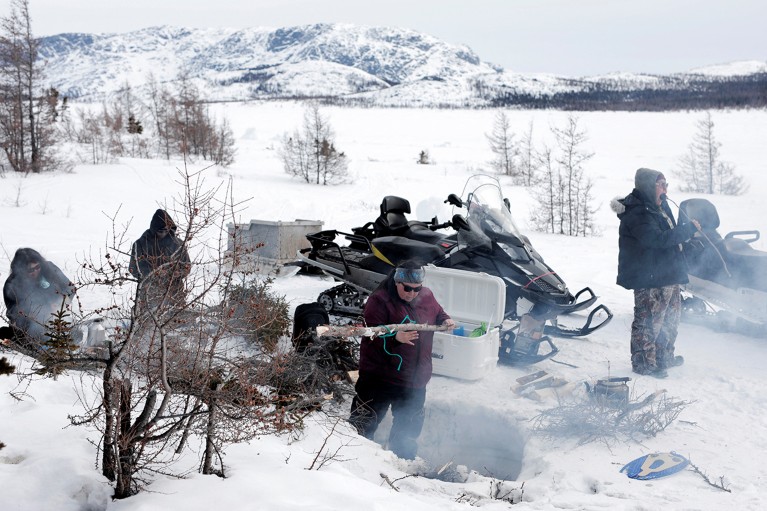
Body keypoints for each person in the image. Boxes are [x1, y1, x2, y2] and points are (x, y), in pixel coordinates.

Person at [348, 261, 455, 459]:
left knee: (408, 428)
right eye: (407, 288)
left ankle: (401, 463)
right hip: (380, 379)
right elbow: (371, 333)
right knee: (365, 422)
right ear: (397, 282)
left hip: (414, 380)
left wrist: (445, 319)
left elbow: (438, 312)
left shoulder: (426, 296)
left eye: (417, 289)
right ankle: (356, 460)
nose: (412, 293)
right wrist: (394, 338)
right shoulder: (380, 301)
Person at [612, 168, 700, 378]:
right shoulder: (637, 212)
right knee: (649, 322)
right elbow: (656, 240)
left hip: (668, 273)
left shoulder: (661, 206)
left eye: (666, 184)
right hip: (648, 276)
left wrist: (686, 240)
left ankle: (663, 357)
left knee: (670, 319)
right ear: (649, 187)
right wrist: (686, 231)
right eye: (661, 184)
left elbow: (669, 236)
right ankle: (644, 363)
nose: (665, 188)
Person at [3, 248, 76, 346]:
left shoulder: (49, 269)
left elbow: (70, 287)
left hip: (57, 319)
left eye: (37, 267)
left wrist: (62, 302)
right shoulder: (11, 285)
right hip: (29, 328)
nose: (35, 271)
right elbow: (14, 313)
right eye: (30, 270)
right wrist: (33, 316)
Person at [129, 209, 191, 314]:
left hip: (174, 293)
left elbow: (187, 266)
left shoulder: (178, 244)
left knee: (177, 323)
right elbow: (133, 268)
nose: (164, 234)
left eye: (167, 230)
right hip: (149, 292)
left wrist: (177, 273)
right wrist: (154, 273)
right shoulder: (140, 244)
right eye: (161, 231)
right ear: (154, 229)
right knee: (147, 323)